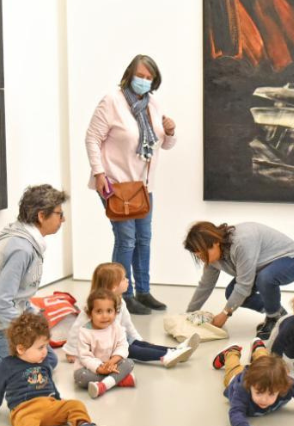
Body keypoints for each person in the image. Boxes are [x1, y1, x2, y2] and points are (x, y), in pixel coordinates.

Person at [85, 54, 178, 315]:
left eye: (149, 78)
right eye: (141, 76)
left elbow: (165, 144)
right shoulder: (112, 101)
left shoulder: (153, 105)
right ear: (129, 74)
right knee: (126, 240)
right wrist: (99, 173)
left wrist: (170, 131)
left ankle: (143, 291)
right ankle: (121, 295)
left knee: (144, 239)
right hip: (115, 183)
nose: (144, 81)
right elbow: (92, 138)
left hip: (143, 186)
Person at [0, 184, 67, 385]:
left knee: (48, 361)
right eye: (59, 214)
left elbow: (18, 296)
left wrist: (35, 318)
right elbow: (1, 302)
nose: (63, 219)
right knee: (34, 375)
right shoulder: (21, 250)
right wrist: (25, 336)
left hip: (0, 320)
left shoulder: (27, 243)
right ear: (42, 216)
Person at [183, 221, 294, 340]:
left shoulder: (241, 242)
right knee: (231, 292)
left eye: (203, 254)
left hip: (293, 259)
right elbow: (206, 285)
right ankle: (278, 313)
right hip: (263, 267)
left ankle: (273, 317)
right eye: (198, 256)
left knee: (265, 279)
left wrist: (224, 314)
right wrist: (189, 314)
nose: (202, 259)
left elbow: (244, 286)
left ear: (215, 243)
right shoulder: (211, 258)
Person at [63, 263, 200, 368]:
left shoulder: (120, 301)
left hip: (118, 339)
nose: (128, 280)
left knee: (141, 344)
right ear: (113, 287)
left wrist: (140, 339)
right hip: (105, 347)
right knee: (135, 350)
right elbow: (77, 329)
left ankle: (177, 350)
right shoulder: (93, 307)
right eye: (123, 279)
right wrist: (71, 351)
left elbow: (128, 326)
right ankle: (167, 355)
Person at [0, 313, 96, 426]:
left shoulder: (43, 361)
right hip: (24, 410)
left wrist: (58, 400)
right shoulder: (7, 364)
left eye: (46, 346)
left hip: (49, 405)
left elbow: (50, 382)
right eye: (40, 347)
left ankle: (83, 423)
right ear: (21, 349)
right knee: (26, 421)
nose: (45, 351)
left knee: (76, 405)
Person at [213, 339, 294, 426]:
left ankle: (259, 347)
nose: (264, 399)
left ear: (281, 388)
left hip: (264, 372)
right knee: (234, 367)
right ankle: (231, 352)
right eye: (259, 393)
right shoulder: (243, 389)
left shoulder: (284, 383)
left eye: (271, 394)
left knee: (267, 362)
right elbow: (236, 412)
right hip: (237, 376)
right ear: (250, 386)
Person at [72, 289, 135, 399]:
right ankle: (119, 379)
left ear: (115, 313)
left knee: (129, 363)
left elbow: (122, 346)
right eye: (99, 311)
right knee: (80, 377)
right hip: (91, 369)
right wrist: (100, 368)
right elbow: (85, 357)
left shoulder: (117, 328)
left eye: (109, 311)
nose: (105, 316)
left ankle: (103, 385)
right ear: (90, 313)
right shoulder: (84, 332)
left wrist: (111, 362)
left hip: (112, 364)